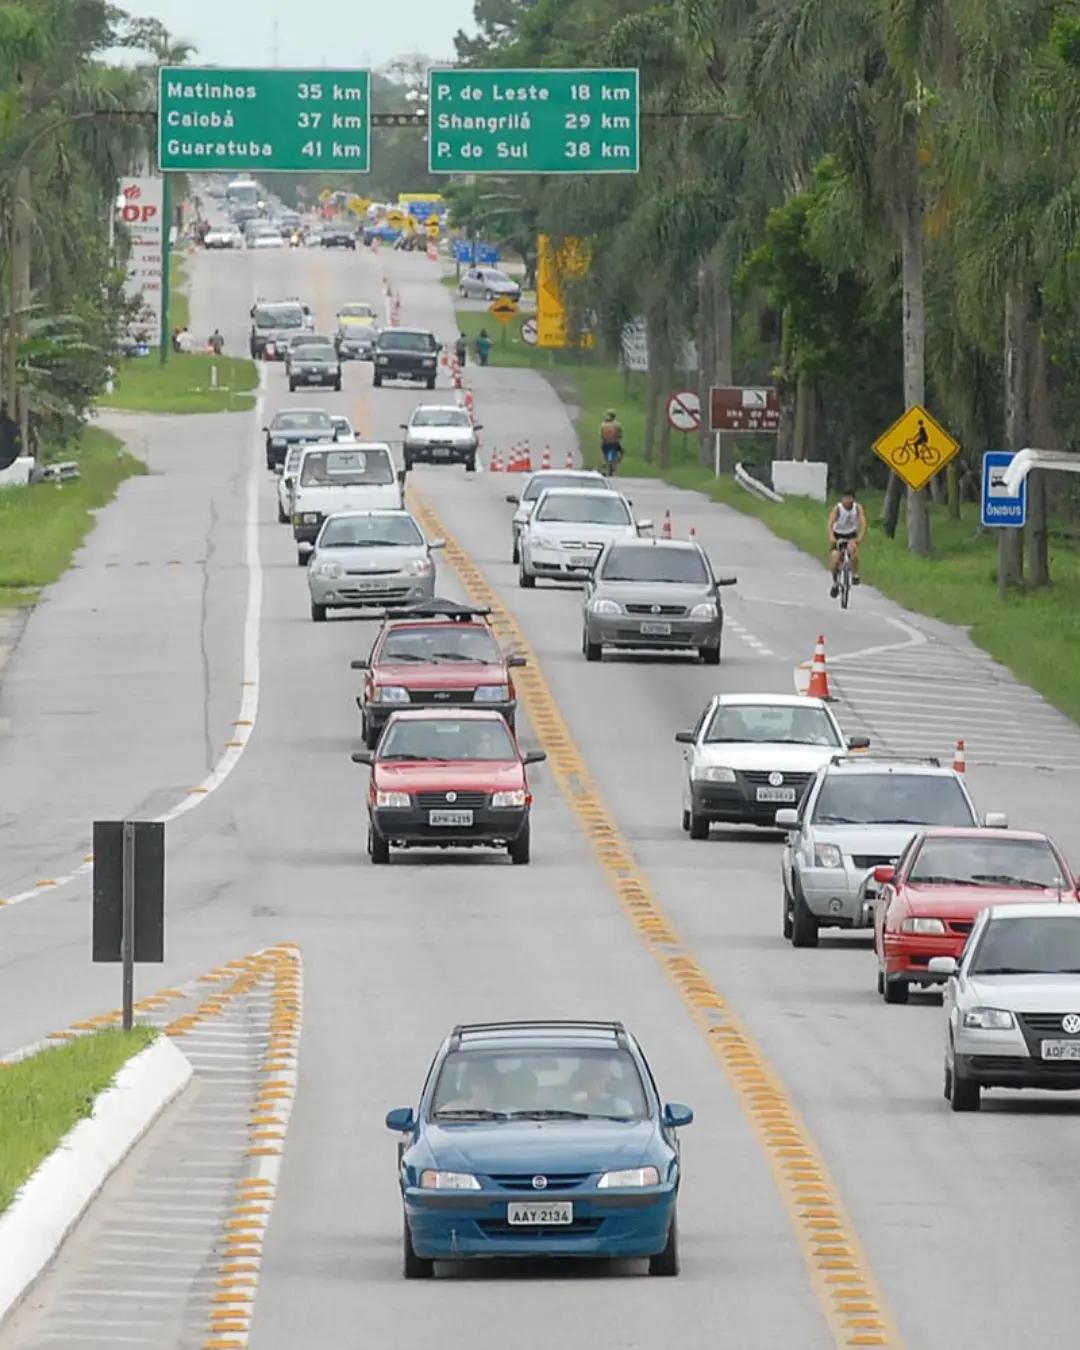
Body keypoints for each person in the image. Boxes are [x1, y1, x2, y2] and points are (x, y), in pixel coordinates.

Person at [828, 487, 867, 597]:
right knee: (835, 559)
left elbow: (863, 523)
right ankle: (835, 583)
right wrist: (832, 537)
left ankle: (854, 574)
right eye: (845, 498)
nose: (847, 500)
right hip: (838, 535)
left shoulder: (857, 508)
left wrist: (860, 538)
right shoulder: (838, 509)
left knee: (853, 552)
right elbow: (830, 523)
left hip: (851, 535)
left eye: (850, 498)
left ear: (853, 499)